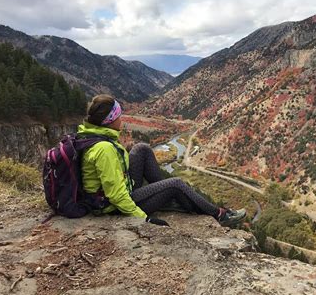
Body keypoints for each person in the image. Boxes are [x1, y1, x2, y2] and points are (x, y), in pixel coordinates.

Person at [77, 94, 246, 227]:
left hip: (117, 193)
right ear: (110, 120)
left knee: (141, 149)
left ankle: (169, 197)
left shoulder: (96, 137)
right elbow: (116, 196)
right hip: (112, 208)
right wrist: (143, 219)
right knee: (176, 183)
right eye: (119, 116)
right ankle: (220, 215)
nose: (122, 119)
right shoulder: (104, 149)